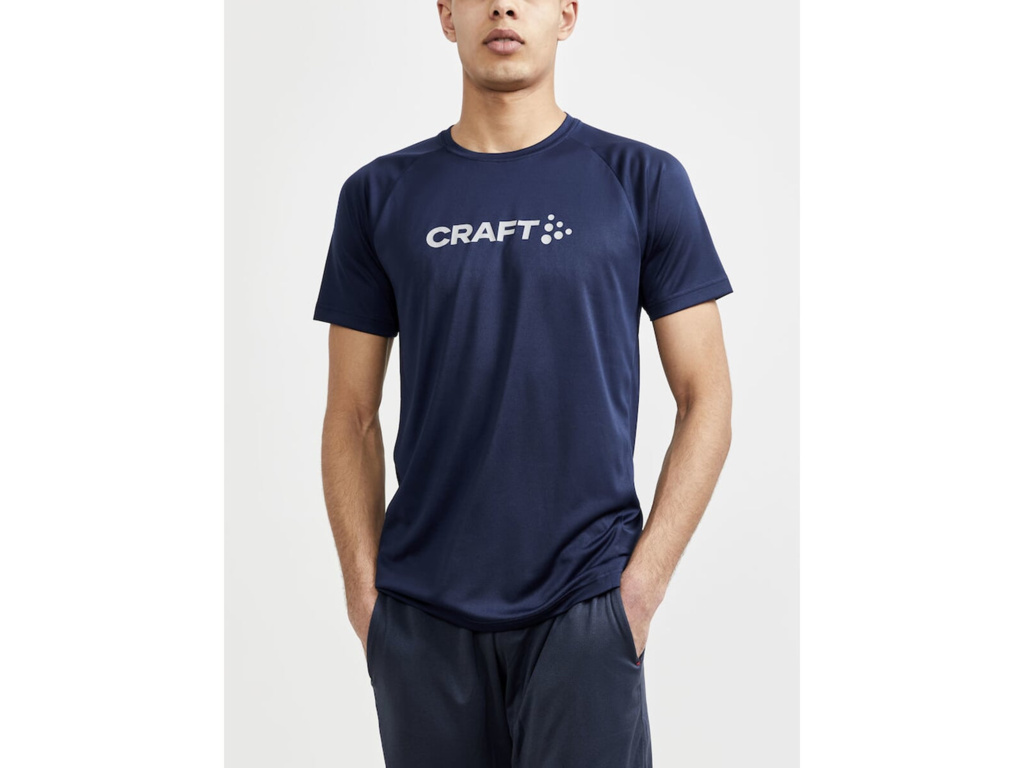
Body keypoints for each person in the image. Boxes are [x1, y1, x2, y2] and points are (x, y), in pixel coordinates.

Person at [313, 1, 734, 765]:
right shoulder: (379, 194)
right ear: (447, 15)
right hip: (422, 619)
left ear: (567, 15)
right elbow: (351, 415)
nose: (504, 6)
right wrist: (366, 601)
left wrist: (639, 592)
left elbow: (706, 396)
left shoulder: (641, 180)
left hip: (585, 607)